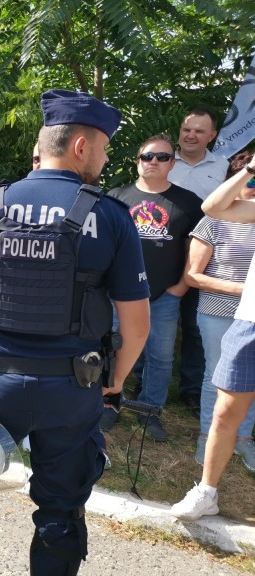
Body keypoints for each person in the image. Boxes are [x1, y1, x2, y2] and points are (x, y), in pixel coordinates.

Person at [0, 89, 150, 575]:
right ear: (80, 146)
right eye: (103, 146)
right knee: (61, 510)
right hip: (72, 390)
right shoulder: (112, 216)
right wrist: (113, 382)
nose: (105, 157)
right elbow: (136, 325)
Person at [170, 153, 255, 521]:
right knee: (224, 411)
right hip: (249, 319)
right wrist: (250, 170)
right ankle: (207, 492)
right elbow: (213, 207)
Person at [106, 134, 203, 441]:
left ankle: (149, 412)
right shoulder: (117, 197)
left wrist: (180, 287)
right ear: (138, 162)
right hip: (118, 295)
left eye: (162, 157)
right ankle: (109, 403)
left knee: (160, 357)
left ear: (172, 163)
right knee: (113, 348)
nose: (154, 162)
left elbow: (197, 249)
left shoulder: (188, 203)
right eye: (148, 157)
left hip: (164, 296)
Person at [168, 110, 230, 416]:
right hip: (162, 254)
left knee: (194, 328)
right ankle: (141, 384)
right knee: (150, 321)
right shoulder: (163, 160)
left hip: (204, 259)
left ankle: (191, 389)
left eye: (198, 131)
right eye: (186, 128)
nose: (190, 135)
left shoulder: (223, 168)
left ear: (212, 136)